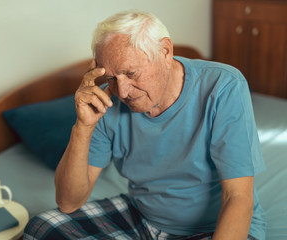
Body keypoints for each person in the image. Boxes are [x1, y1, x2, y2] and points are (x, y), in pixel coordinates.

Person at [24, 10, 266, 240]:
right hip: (144, 217)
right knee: (41, 228)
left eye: (131, 73)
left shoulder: (223, 86)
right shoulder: (104, 102)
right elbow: (68, 202)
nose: (122, 91)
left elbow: (238, 197)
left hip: (214, 226)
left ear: (165, 51)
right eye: (110, 78)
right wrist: (82, 127)